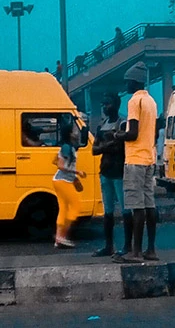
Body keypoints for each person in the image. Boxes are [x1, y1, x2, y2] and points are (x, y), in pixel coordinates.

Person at [113, 61, 158, 263]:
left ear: (134, 82)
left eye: (127, 82)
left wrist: (118, 135)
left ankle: (136, 252)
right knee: (150, 205)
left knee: (136, 206)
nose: (125, 86)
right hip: (149, 158)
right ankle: (151, 250)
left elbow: (132, 133)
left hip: (135, 160)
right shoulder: (152, 102)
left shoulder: (134, 102)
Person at [91, 93, 131, 257]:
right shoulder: (103, 125)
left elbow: (118, 148)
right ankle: (109, 246)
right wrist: (111, 143)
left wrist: (104, 146)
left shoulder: (123, 123)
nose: (104, 107)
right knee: (108, 212)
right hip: (106, 172)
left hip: (119, 172)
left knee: (125, 210)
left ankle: (127, 246)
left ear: (115, 104)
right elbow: (94, 150)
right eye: (103, 104)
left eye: (107, 104)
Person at [52, 119, 87, 248]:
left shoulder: (66, 147)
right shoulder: (68, 147)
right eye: (74, 131)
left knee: (63, 209)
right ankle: (61, 237)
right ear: (69, 134)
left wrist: (73, 175)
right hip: (63, 181)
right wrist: (77, 172)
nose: (77, 133)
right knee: (76, 207)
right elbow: (60, 165)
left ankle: (58, 239)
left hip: (59, 180)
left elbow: (54, 161)